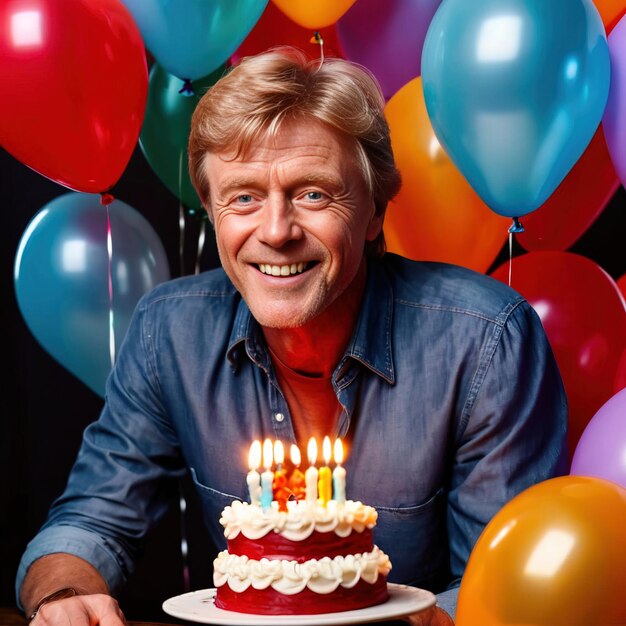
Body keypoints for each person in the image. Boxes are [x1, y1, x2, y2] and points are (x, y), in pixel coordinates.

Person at [16, 47, 567, 626]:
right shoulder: (167, 331)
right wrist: (64, 595)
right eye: (245, 197)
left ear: (375, 211)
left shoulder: (486, 341)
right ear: (210, 208)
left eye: (313, 193)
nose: (276, 232)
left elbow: (504, 585)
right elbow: (90, 520)